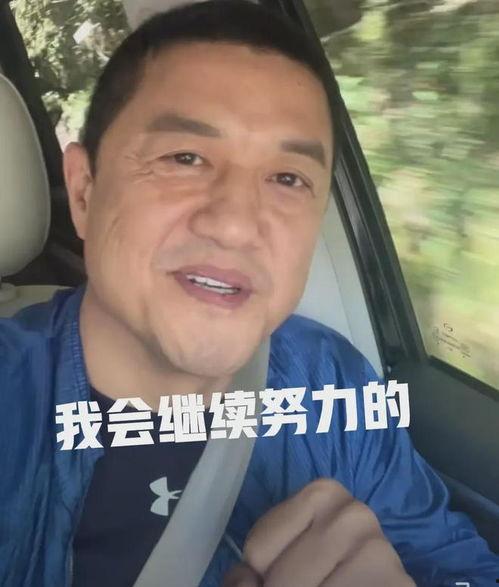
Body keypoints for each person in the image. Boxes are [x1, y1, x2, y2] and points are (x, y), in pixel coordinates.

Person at [0, 1, 497, 586]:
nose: (236, 225)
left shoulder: (329, 383)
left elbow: (460, 566)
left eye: (287, 178)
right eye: (185, 158)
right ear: (84, 192)